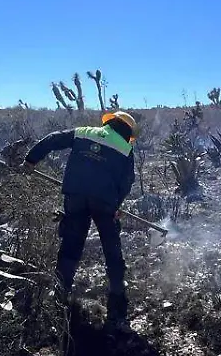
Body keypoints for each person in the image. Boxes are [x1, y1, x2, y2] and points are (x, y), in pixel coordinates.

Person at [24, 111, 137, 326]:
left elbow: (52, 139)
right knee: (112, 250)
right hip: (104, 203)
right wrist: (116, 205)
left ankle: (60, 294)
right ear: (127, 132)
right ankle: (117, 307)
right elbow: (127, 181)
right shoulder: (125, 149)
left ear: (110, 122)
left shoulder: (83, 132)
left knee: (71, 245)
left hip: (75, 196)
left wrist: (31, 160)